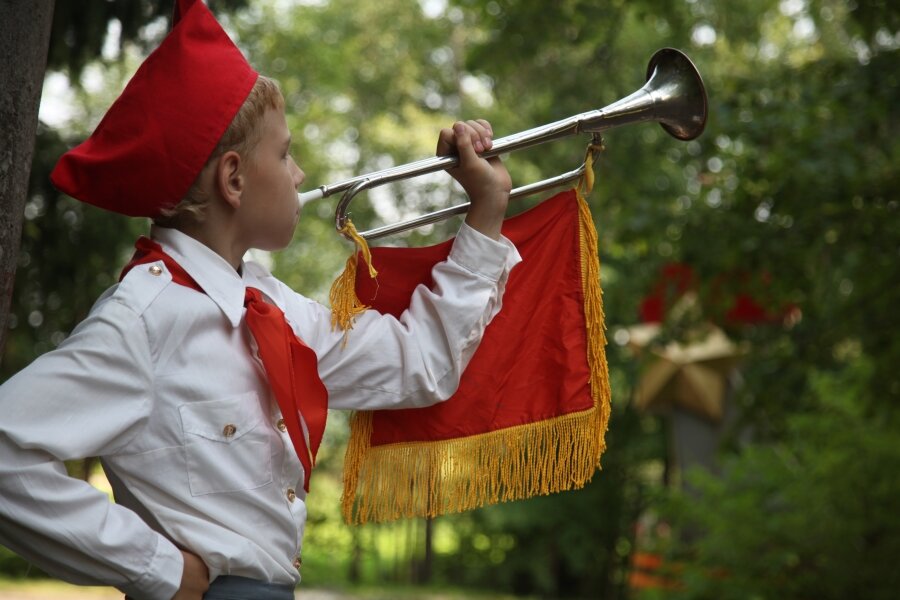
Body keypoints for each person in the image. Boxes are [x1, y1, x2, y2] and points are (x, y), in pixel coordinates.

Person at [0, 1, 519, 599]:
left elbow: (419, 365)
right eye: (284, 152)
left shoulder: (274, 309)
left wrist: (485, 218)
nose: (298, 174)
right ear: (234, 179)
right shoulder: (142, 319)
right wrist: (162, 571)